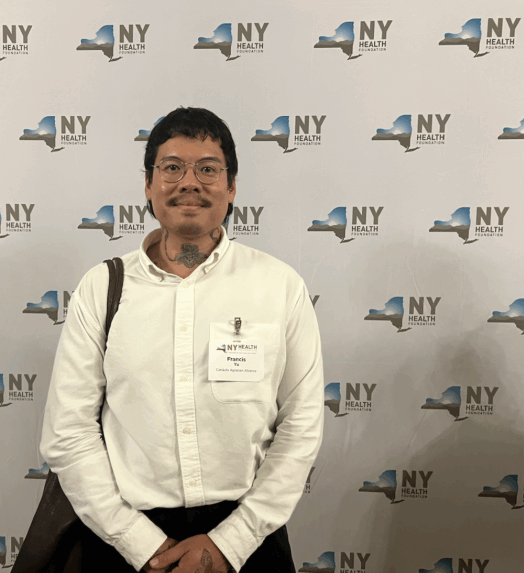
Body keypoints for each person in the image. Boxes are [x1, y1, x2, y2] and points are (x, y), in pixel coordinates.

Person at [41, 107, 324, 573]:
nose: (189, 182)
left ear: (232, 187)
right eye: (172, 168)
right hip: (123, 542)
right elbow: (68, 432)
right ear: (149, 186)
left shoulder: (279, 287)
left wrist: (231, 542)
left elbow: (301, 426)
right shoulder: (102, 288)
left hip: (247, 542)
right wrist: (142, 544)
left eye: (208, 169)